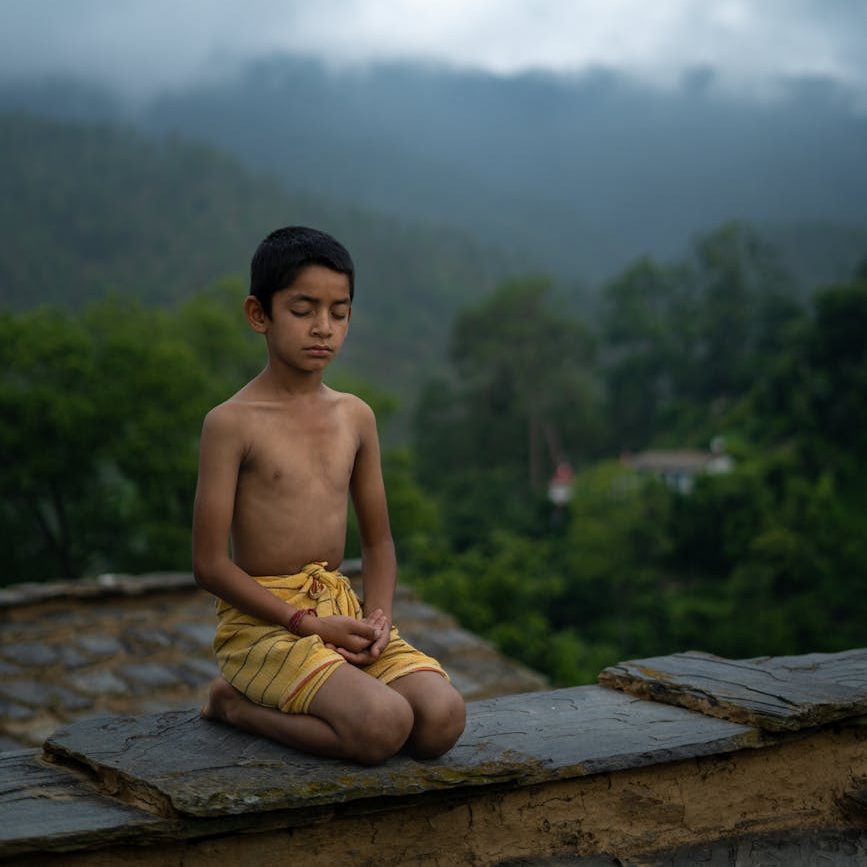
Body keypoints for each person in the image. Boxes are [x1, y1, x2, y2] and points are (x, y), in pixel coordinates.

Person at [194, 226, 466, 765]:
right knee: (382, 726)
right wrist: (306, 624)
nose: (323, 328)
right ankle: (234, 705)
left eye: (338, 313)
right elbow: (209, 565)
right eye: (303, 310)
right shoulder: (231, 423)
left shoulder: (355, 417)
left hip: (341, 611)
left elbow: (379, 543)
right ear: (259, 314)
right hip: (265, 626)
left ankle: (338, 683)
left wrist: (378, 622)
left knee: (442, 719)